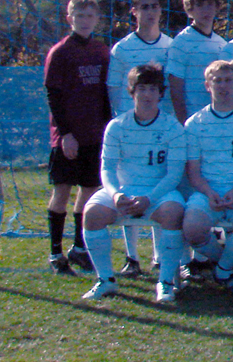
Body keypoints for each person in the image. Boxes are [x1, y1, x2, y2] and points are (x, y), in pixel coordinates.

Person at [80, 64, 187, 303]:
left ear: (161, 93)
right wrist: (116, 194)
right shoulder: (117, 126)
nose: (147, 94)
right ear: (131, 92)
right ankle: (106, 279)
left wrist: (149, 198)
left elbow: (174, 174)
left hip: (159, 193)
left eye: (152, 88)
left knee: (173, 212)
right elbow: (107, 169)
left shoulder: (173, 127)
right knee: (92, 212)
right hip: (124, 191)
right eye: (141, 88)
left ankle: (166, 281)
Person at [181, 60, 233, 296]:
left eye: (228, 80)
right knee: (193, 229)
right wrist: (209, 193)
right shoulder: (195, 124)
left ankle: (222, 270)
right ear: (207, 86)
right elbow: (194, 173)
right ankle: (229, 266)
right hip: (207, 191)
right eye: (217, 81)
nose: (223, 86)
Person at [106, 0, 174, 275]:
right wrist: (119, 120)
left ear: (160, 10)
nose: (150, 11)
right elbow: (112, 87)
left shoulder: (170, 46)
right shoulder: (122, 49)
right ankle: (132, 258)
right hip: (130, 129)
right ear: (134, 11)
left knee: (158, 184)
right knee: (128, 185)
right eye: (143, 6)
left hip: (161, 126)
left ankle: (159, 256)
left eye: (154, 6)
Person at [44, 0, 111, 274]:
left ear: (97, 19)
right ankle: (55, 253)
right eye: (79, 16)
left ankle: (79, 248)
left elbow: (106, 94)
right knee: (62, 192)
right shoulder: (60, 52)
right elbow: (53, 95)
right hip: (69, 137)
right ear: (69, 18)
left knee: (89, 190)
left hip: (95, 135)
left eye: (90, 16)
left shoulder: (101, 50)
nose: (85, 21)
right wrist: (66, 134)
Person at [168, 0, 224, 124]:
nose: (206, 10)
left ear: (217, 7)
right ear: (190, 9)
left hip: (218, 121)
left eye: (210, 4)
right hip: (193, 122)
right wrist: (183, 123)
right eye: (200, 5)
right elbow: (175, 89)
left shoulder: (222, 44)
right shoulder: (181, 43)